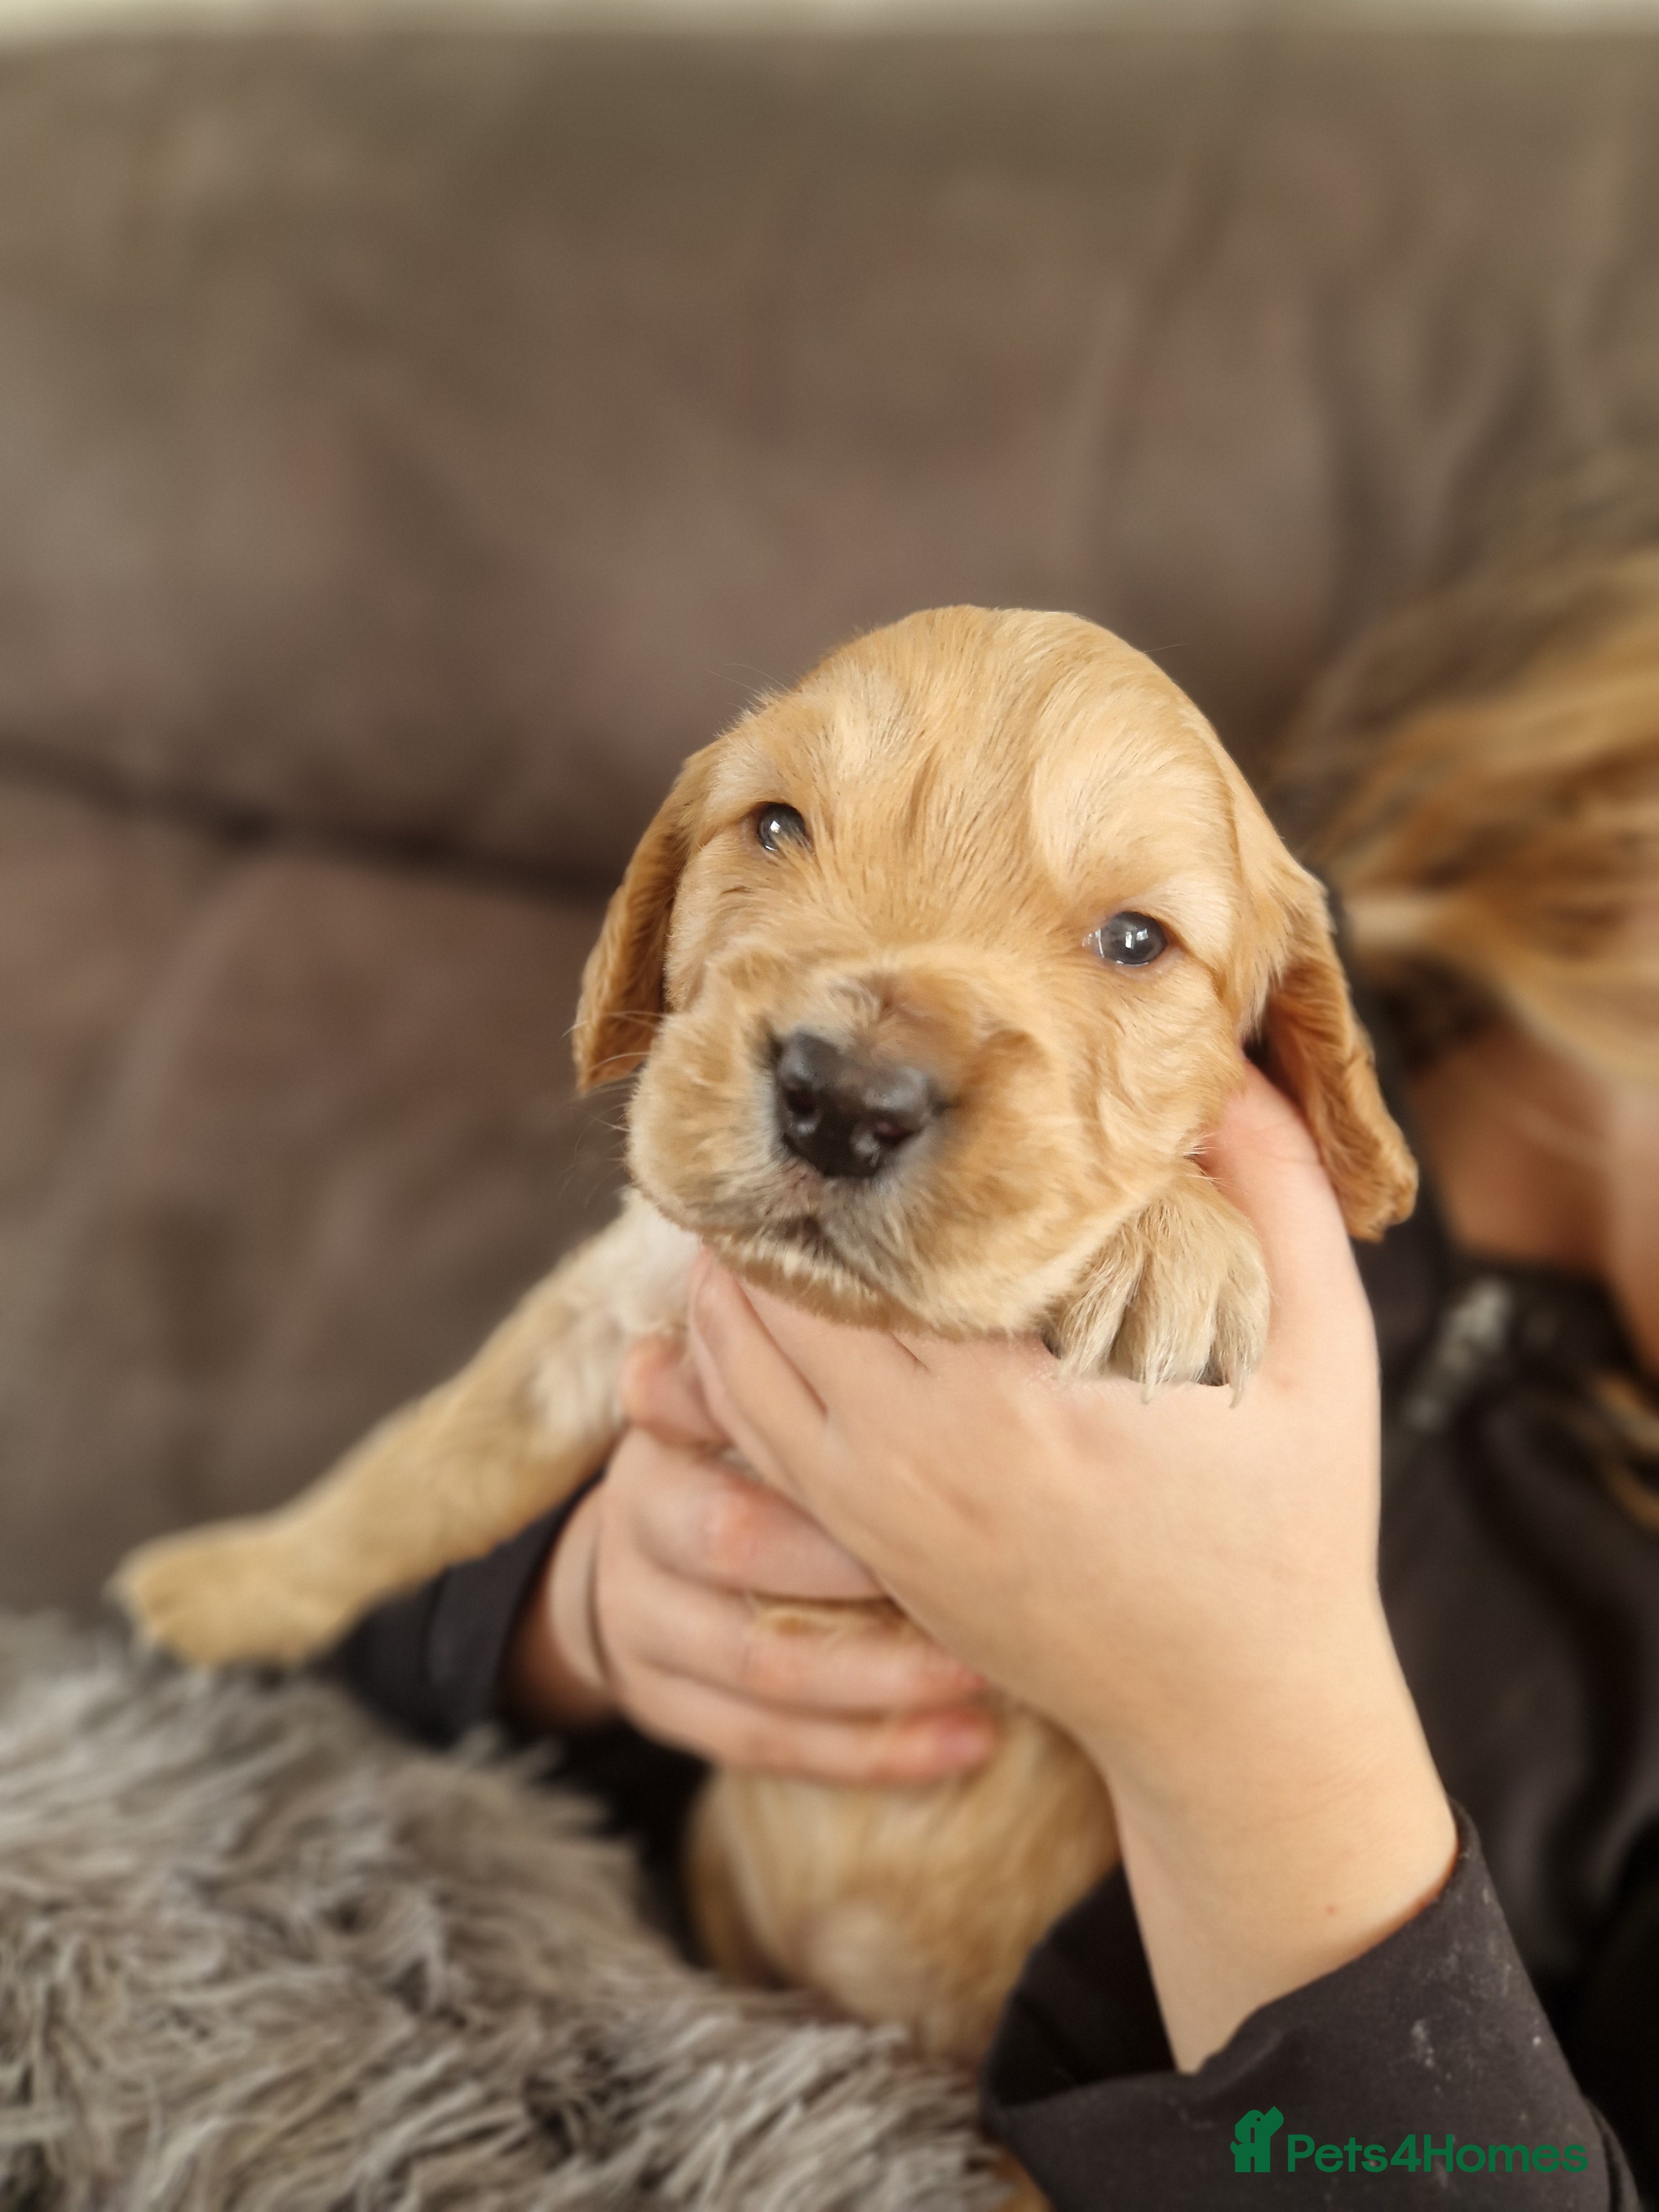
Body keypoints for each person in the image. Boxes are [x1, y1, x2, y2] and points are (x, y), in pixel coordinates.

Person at [335, 486, 1659, 2205]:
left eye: (1130, 944)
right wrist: (582, 1619)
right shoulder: (1161, 986)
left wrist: (1250, 1727)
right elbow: (336, 1666)